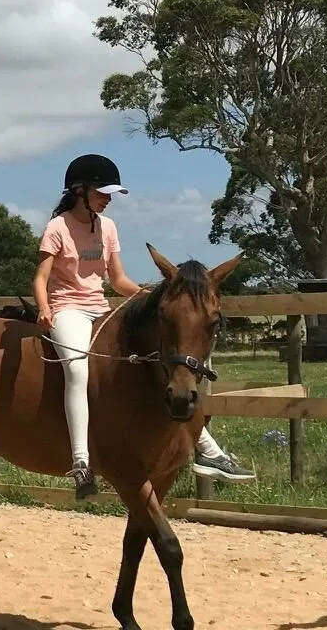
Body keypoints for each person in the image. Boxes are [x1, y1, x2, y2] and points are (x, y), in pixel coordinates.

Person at [34, 153, 253, 499]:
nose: (108, 199)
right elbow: (41, 278)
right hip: (68, 309)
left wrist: (147, 295)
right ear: (80, 191)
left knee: (163, 361)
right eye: (102, 193)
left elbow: (118, 279)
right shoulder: (57, 227)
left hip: (101, 306)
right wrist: (45, 308)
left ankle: (209, 449)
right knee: (77, 370)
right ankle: (80, 461)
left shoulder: (107, 227)